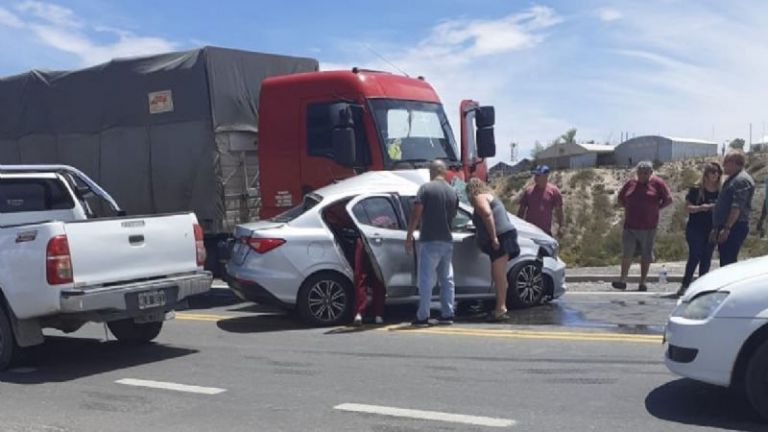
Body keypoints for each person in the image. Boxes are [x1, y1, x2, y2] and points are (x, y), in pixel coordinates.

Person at [405, 160, 459, 327]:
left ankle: (423, 316)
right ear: (444, 172)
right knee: (447, 279)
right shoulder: (452, 191)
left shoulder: (425, 189)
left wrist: (409, 236)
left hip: (429, 239)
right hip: (447, 240)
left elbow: (416, 213)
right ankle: (447, 313)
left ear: (432, 171)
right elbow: (454, 214)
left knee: (426, 280)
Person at [466, 178, 520, 321]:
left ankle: (501, 309)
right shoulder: (490, 196)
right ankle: (500, 307)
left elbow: (487, 214)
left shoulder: (479, 197)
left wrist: (494, 237)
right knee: (498, 274)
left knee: (499, 275)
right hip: (505, 235)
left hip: (501, 237)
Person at [612, 161, 672, 291]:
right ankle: (623, 279)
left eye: (645, 173)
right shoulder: (630, 183)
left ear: (650, 173)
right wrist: (628, 208)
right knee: (627, 252)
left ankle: (642, 281)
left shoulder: (657, 183)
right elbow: (620, 199)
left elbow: (668, 199)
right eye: (640, 172)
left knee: (646, 254)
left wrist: (656, 208)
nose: (642, 175)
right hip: (630, 225)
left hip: (648, 226)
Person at [677, 162, 722, 297]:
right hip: (695, 228)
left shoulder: (721, 191)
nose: (715, 174)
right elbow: (687, 208)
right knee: (694, 255)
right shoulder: (696, 189)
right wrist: (703, 207)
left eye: (717, 172)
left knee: (706, 257)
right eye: (712, 172)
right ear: (706, 174)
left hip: (712, 228)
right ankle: (685, 284)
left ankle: (702, 286)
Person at [712, 150, 755, 266]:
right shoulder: (733, 179)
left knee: (728, 261)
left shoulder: (741, 181)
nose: (723, 165)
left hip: (734, 227)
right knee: (725, 259)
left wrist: (727, 228)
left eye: (725, 162)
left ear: (734, 163)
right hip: (728, 226)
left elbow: (737, 207)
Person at [517, 165, 564, 237]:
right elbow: (521, 210)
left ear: (546, 176)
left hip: (545, 233)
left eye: (538, 175)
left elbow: (559, 210)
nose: (535, 178)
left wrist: (561, 226)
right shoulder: (529, 191)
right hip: (529, 232)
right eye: (535, 175)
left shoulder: (554, 191)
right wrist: (518, 226)